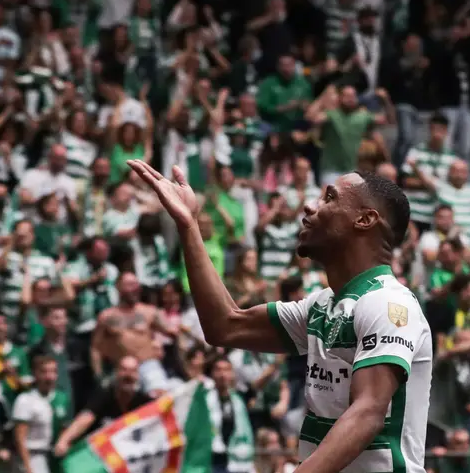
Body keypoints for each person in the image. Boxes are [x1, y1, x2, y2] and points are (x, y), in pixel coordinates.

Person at [126, 159, 432, 473]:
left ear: (365, 219)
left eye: (329, 198)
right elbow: (226, 326)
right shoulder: (322, 305)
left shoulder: (390, 303)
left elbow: (368, 411)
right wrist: (188, 225)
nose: (309, 207)